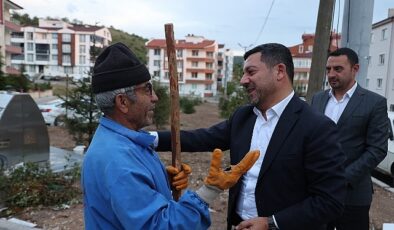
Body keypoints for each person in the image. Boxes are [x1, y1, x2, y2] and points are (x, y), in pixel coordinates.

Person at [154, 43, 347, 230]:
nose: (243, 80)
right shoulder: (243, 117)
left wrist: (271, 223)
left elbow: (329, 201)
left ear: (279, 71)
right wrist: (147, 138)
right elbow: (201, 138)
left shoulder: (316, 127)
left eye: (251, 72)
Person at [81, 42, 260, 230]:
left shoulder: (122, 143)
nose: (155, 97)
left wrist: (159, 183)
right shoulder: (117, 160)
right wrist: (210, 190)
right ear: (123, 102)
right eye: (147, 89)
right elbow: (164, 226)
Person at [311, 47, 388, 230]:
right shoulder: (318, 99)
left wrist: (342, 178)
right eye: (328, 69)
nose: (331, 74)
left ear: (355, 69)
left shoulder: (374, 102)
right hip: (317, 192)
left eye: (338, 69)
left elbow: (377, 149)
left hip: (353, 195)